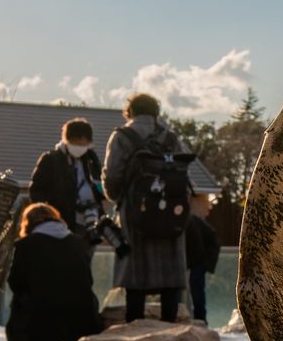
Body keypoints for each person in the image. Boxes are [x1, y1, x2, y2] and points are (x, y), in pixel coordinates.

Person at [103, 92, 188, 322]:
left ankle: (135, 326)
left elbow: (112, 177)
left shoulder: (122, 136)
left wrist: (118, 198)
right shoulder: (171, 137)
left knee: (135, 277)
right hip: (171, 213)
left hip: (135, 213)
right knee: (170, 278)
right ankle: (171, 326)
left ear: (130, 111)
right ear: (155, 112)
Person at [4, 203, 103, 341]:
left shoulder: (25, 245)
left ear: (28, 223)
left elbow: (15, 282)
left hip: (42, 319)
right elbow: (88, 280)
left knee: (21, 300)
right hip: (80, 319)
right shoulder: (78, 242)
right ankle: (71, 339)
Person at [29, 118, 105, 241]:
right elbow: (36, 191)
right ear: (66, 140)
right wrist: (47, 217)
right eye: (76, 143)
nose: (80, 147)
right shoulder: (51, 160)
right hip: (61, 222)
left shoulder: (91, 160)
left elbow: (99, 185)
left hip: (90, 222)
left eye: (83, 143)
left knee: (85, 257)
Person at [185, 191, 220, 326]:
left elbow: (198, 246)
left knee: (197, 289)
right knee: (194, 288)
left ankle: (201, 319)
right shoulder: (190, 220)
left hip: (201, 259)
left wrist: (205, 265)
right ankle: (198, 317)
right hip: (198, 258)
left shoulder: (191, 222)